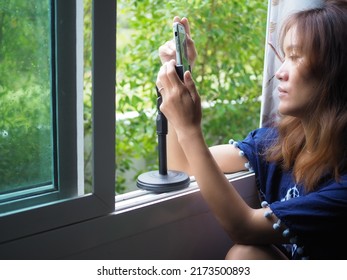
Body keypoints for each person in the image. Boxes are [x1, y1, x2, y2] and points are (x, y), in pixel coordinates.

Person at [155, 0, 347, 260]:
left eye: (295, 57)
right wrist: (176, 81)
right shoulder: (280, 141)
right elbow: (183, 164)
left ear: (336, 72)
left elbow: (244, 228)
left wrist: (190, 128)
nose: (279, 72)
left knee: (245, 254)